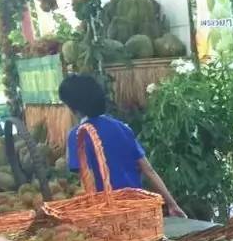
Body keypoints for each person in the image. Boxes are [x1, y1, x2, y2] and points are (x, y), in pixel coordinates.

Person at [57, 74, 186, 218]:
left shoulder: (78, 135)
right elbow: (148, 169)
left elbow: (88, 181)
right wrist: (172, 204)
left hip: (107, 214)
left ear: (72, 106)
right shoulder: (120, 127)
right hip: (136, 208)